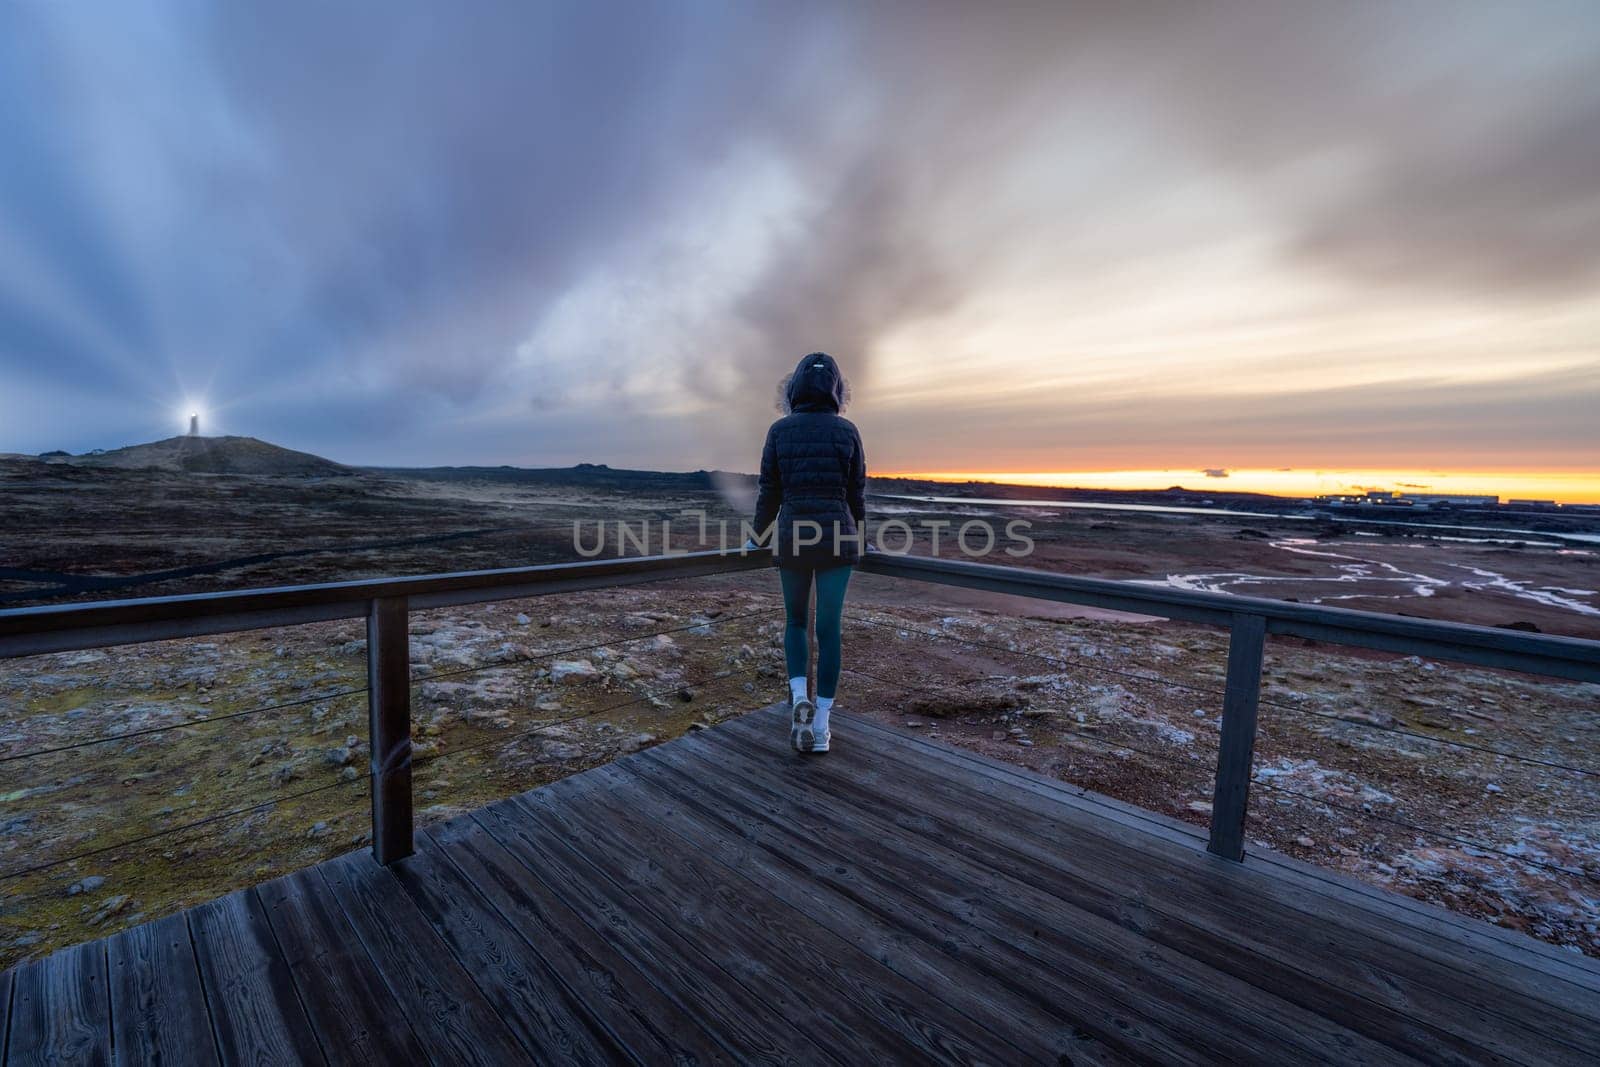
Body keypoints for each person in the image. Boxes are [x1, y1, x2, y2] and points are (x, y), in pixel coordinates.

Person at [749, 352, 866, 754]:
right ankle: (820, 727)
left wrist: (756, 536)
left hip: (793, 535)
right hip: (837, 536)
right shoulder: (848, 430)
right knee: (829, 631)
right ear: (837, 390)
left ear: (793, 389)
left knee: (796, 621)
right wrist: (862, 535)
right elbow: (856, 493)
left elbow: (770, 491)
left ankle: (799, 694)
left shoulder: (779, 431)